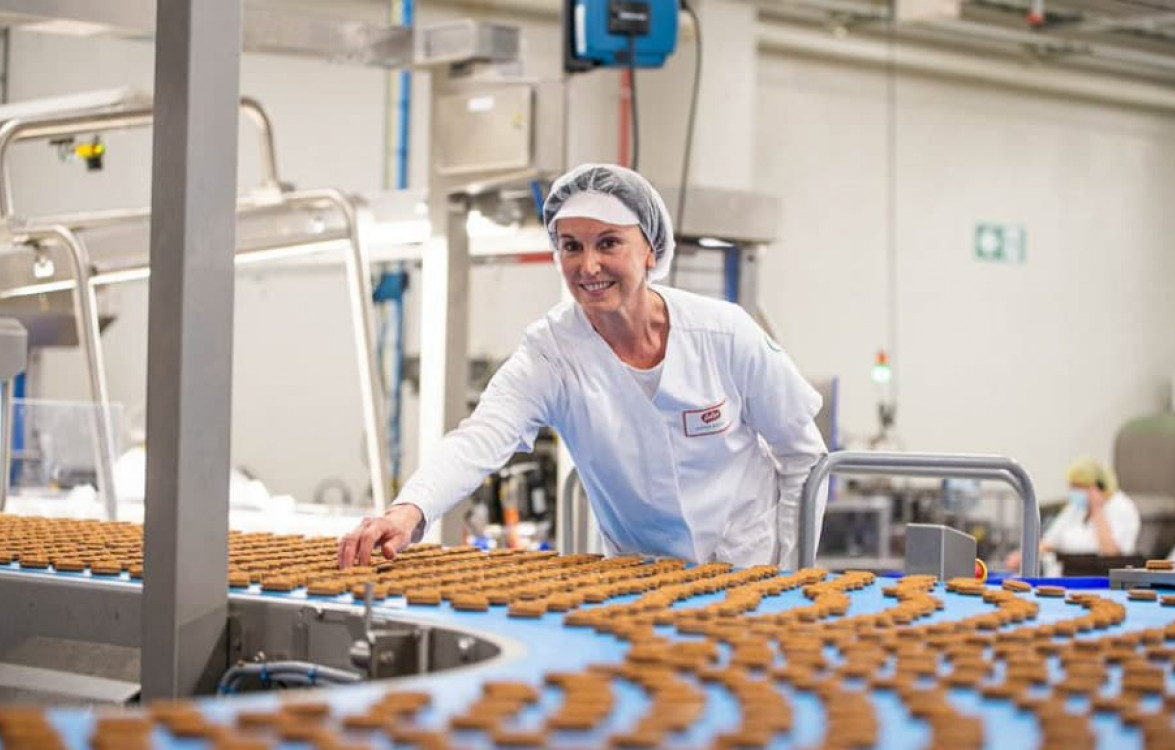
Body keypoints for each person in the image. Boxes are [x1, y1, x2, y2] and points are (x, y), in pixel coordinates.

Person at [338, 164, 828, 570]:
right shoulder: (551, 353)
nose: (588, 266)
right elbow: (480, 437)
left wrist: (787, 574)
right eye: (571, 247)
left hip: (750, 570)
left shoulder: (724, 333)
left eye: (608, 243)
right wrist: (409, 511)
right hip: (640, 578)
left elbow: (803, 455)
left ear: (650, 251)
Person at [1006, 458, 1140, 570]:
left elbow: (1111, 553)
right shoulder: (1076, 508)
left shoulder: (1122, 508)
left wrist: (1097, 510)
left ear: (1098, 487)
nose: (1074, 492)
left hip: (1102, 576)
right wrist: (1023, 556)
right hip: (1068, 572)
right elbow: (1051, 541)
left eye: (1079, 486)